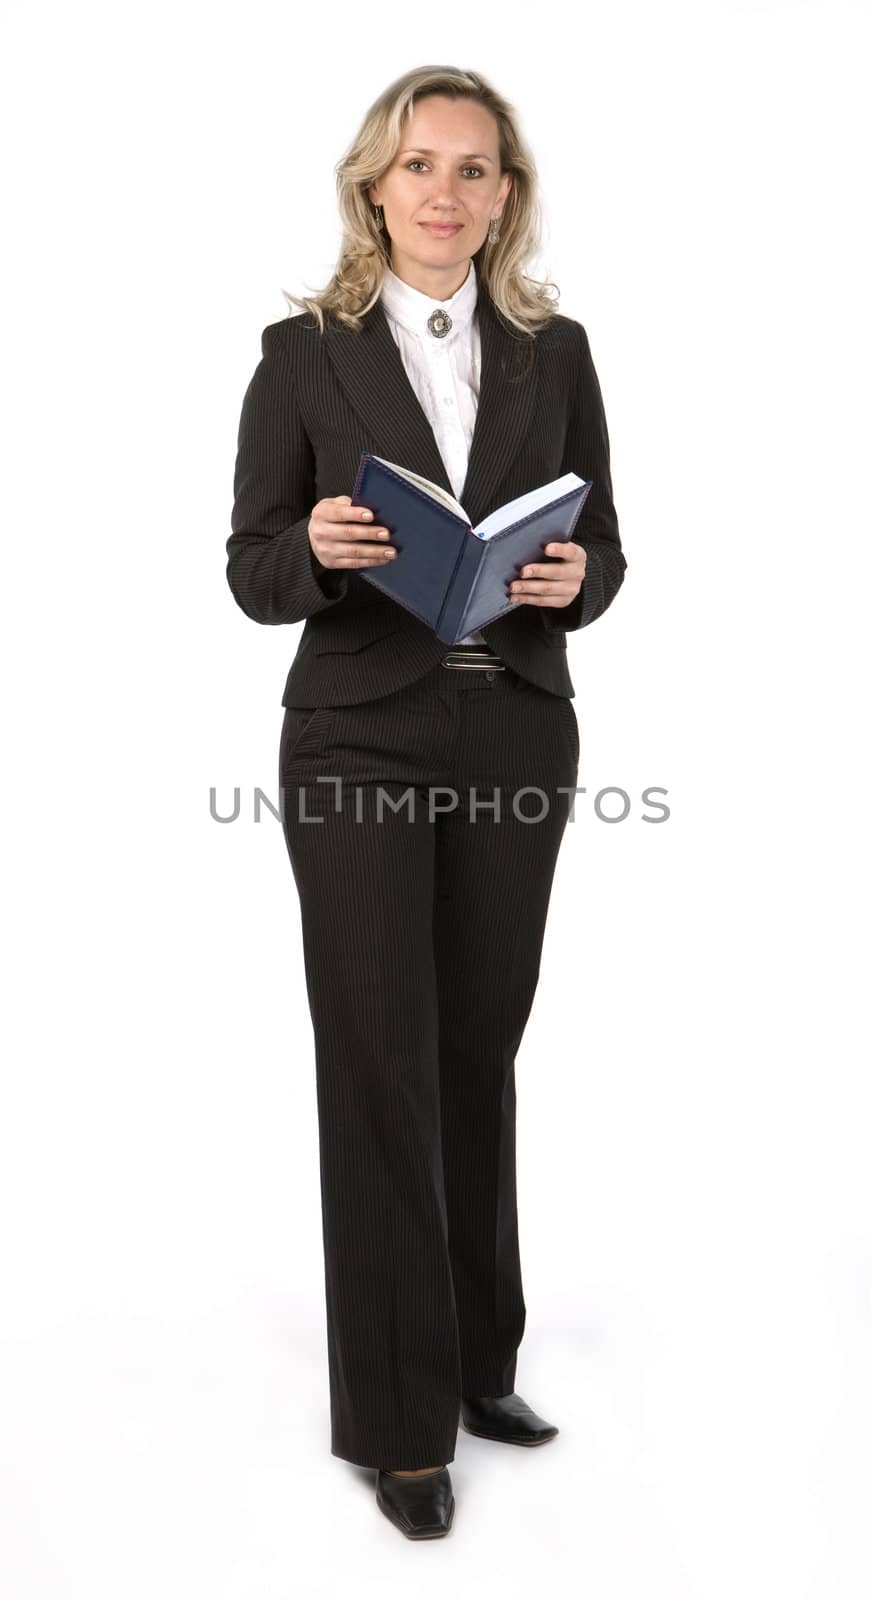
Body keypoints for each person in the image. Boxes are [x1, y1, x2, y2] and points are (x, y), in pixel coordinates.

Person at [227, 64, 626, 1540]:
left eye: (473, 169)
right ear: (373, 188)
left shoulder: (557, 350)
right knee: (381, 1061)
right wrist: (323, 548)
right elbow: (252, 565)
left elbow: (611, 551)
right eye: (419, 167)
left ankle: (479, 1367)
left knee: (479, 1050)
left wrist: (579, 578)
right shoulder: (302, 356)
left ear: (503, 195)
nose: (444, 193)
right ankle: (398, 1424)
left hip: (515, 730)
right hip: (359, 742)